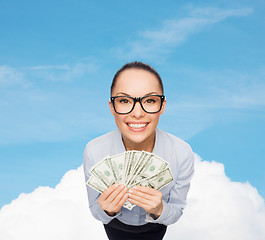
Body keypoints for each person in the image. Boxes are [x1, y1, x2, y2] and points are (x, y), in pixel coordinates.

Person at [83, 61, 194, 240]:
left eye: (149, 100)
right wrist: (106, 210)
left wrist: (159, 209)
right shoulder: (94, 151)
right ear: (112, 107)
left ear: (162, 105)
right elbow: (95, 211)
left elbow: (176, 211)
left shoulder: (181, 153)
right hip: (115, 227)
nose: (137, 113)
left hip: (155, 228)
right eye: (125, 101)